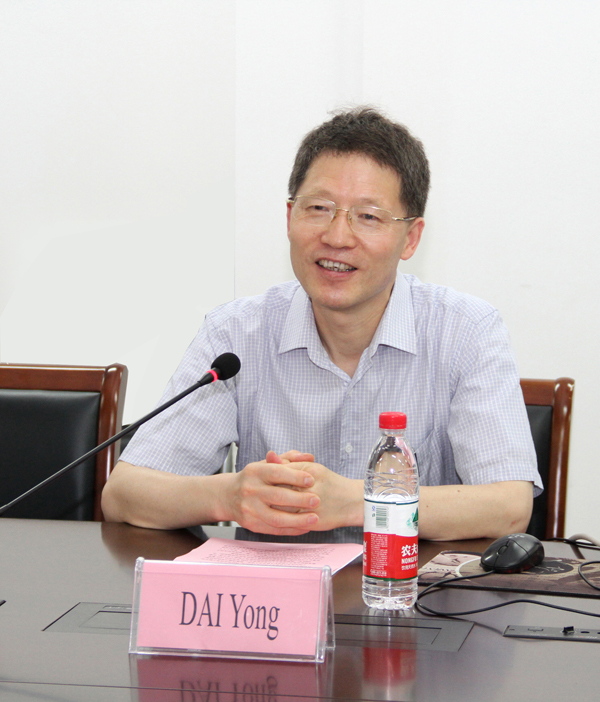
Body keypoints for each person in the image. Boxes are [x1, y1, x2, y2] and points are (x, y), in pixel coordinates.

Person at [102, 107, 541, 542]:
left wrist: (355, 502)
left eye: (368, 216)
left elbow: (509, 507)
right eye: (318, 208)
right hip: (272, 589)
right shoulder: (235, 333)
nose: (337, 237)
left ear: (410, 238)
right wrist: (230, 496)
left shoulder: (465, 331)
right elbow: (124, 495)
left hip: (408, 585)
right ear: (289, 217)